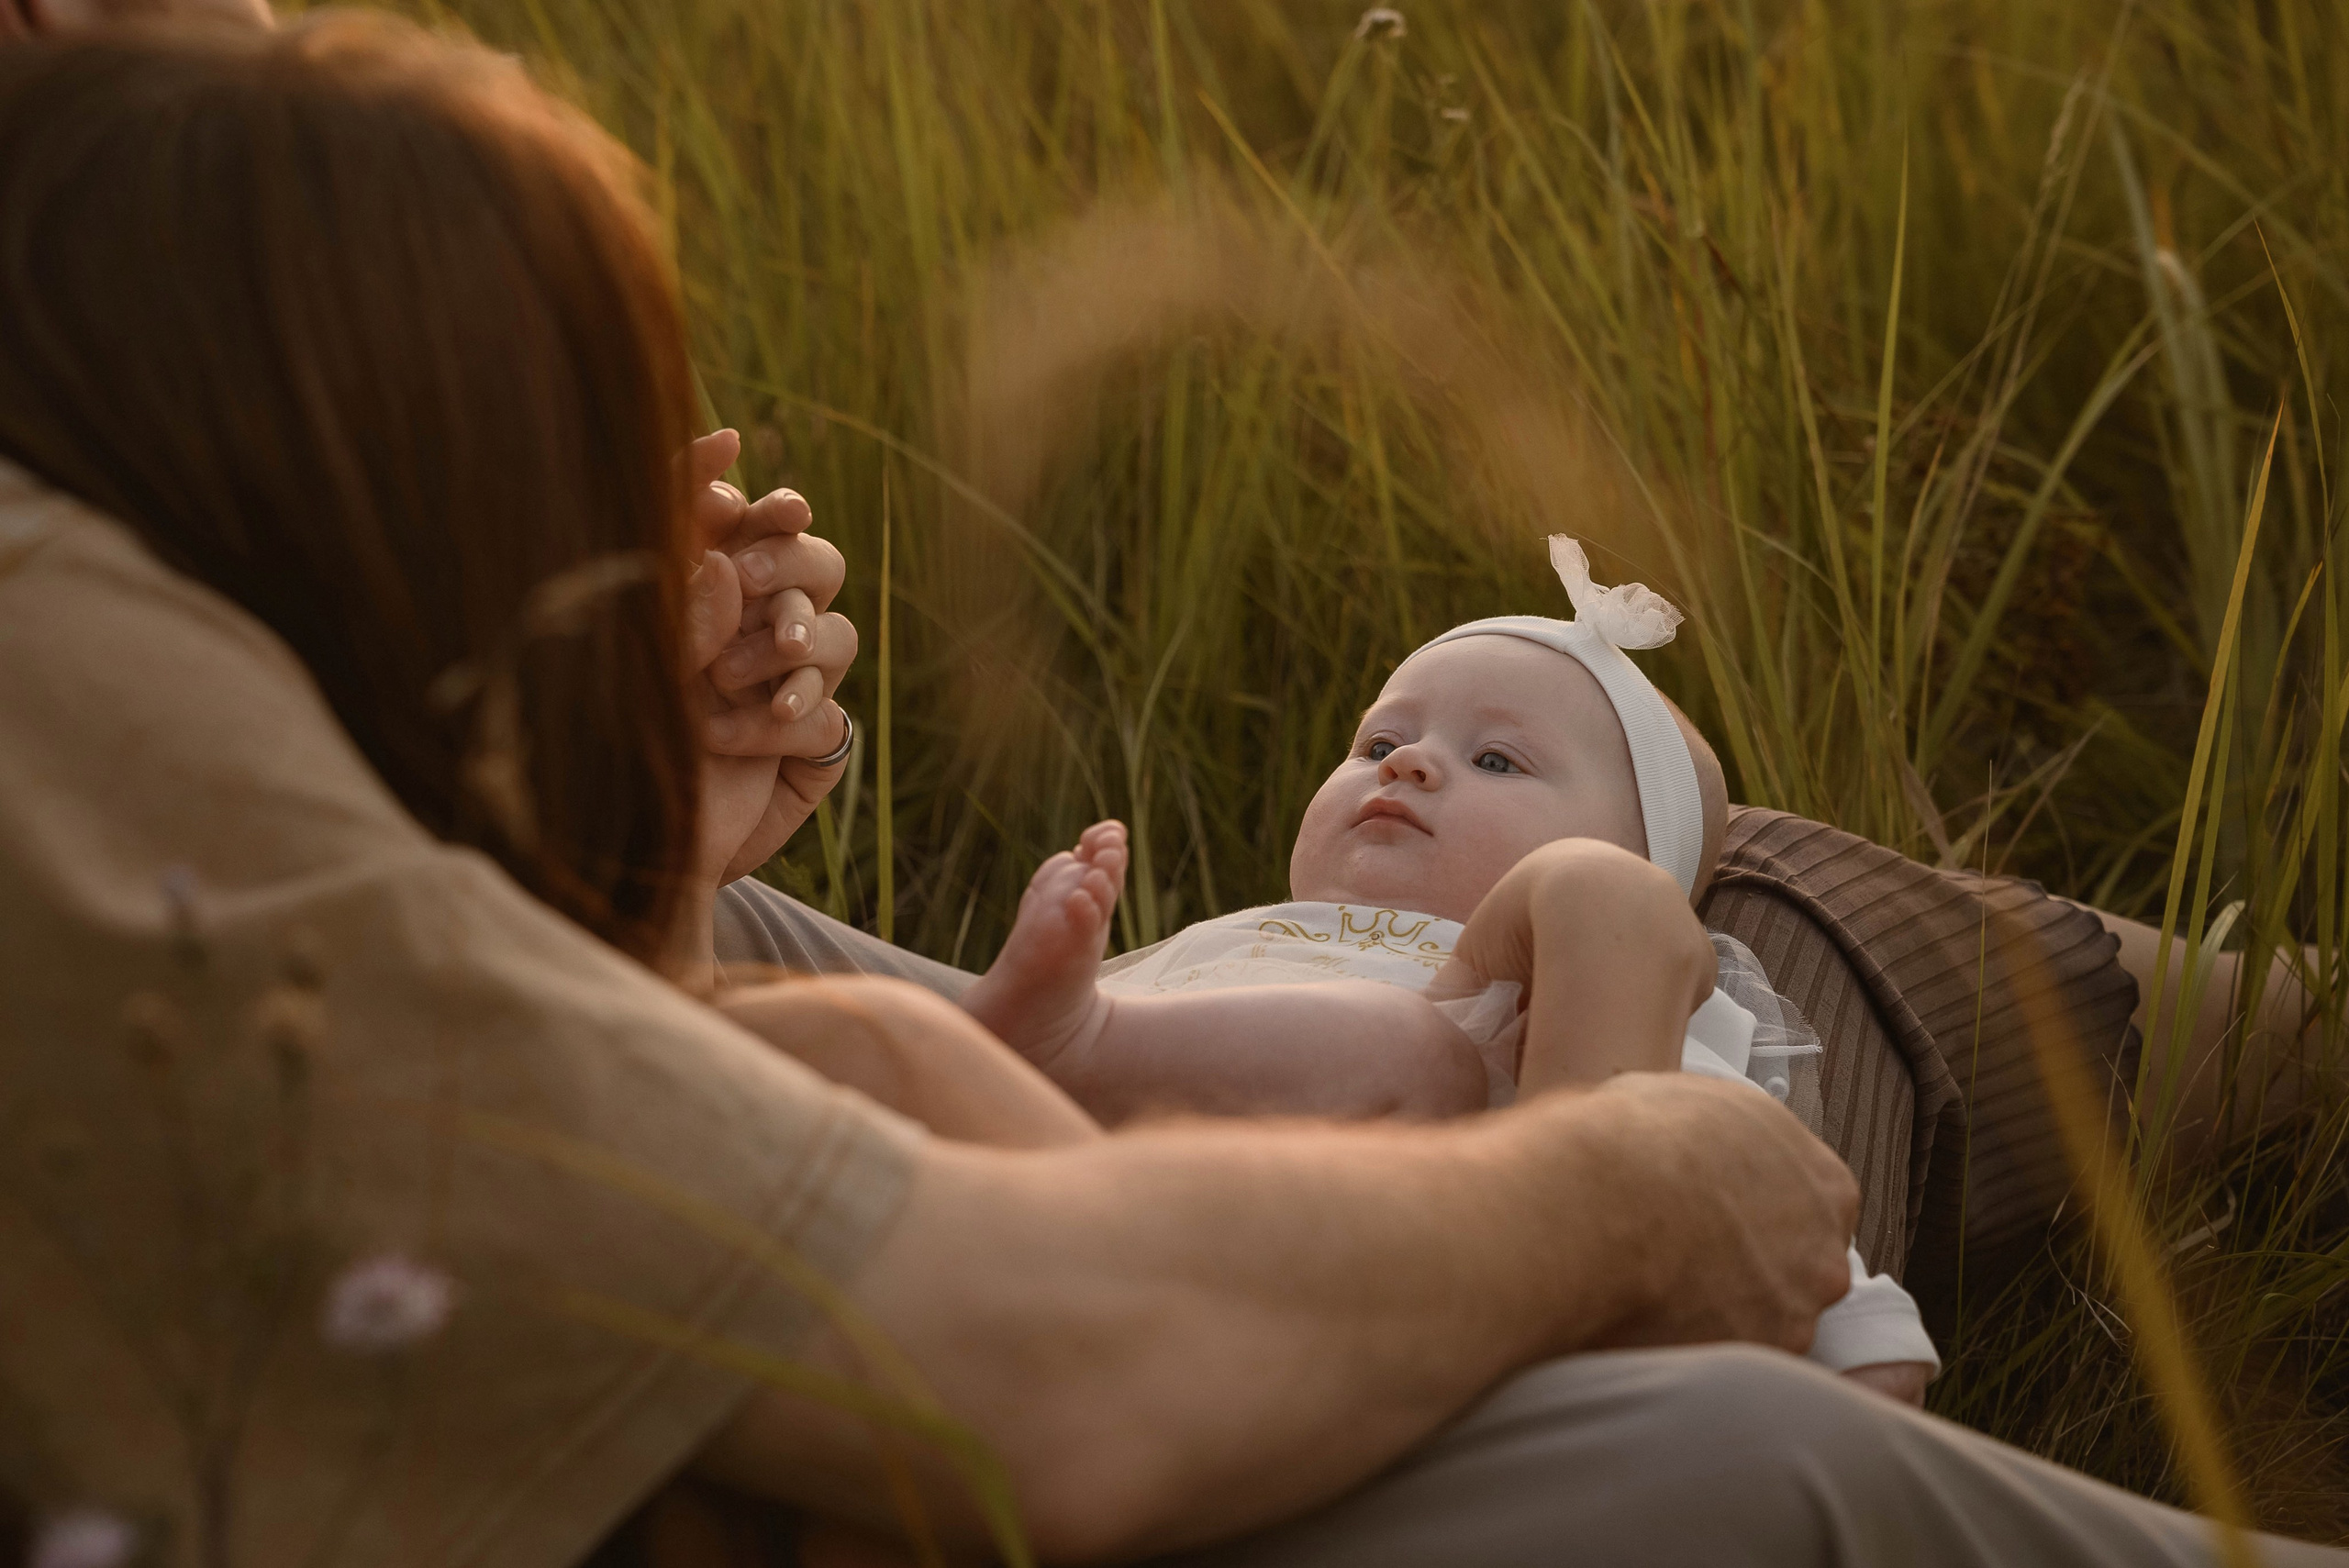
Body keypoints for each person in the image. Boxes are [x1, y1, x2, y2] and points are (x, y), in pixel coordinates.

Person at [1, 18, 2340, 1568]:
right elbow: (1053, 1355)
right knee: (1823, 1127)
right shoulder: (59, 667)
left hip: (1460, 1125)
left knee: (1801, 951)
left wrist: (614, 861)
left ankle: (2264, 1028)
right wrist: (1623, 1142)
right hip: (1519, 1181)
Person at [961, 538, 1936, 1401]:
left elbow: (1716, 1154)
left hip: (1365, 1243)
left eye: (1499, 761)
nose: (1409, 763)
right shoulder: (1240, 933)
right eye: (1379, 742)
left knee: (1414, 1044)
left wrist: (1857, 1329)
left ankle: (1073, 1040)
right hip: (1104, 1197)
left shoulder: (1587, 980)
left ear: (1640, 876)